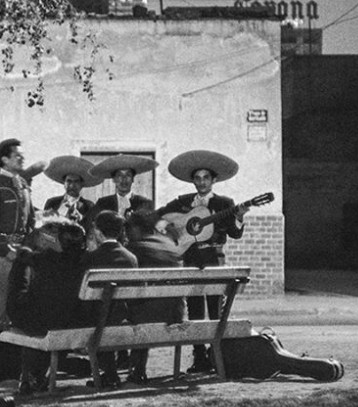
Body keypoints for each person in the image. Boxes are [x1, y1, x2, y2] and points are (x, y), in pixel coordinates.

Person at [157, 149, 248, 374]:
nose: (201, 182)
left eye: (206, 178)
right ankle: (199, 358)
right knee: (195, 310)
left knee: (215, 310)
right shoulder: (182, 202)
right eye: (197, 179)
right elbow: (160, 216)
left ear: (214, 180)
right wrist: (164, 225)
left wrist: (238, 216)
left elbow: (235, 234)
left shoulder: (224, 203)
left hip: (214, 260)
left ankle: (217, 356)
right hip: (191, 259)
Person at [85, 154, 158, 371]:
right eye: (119, 176)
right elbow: (94, 231)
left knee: (131, 307)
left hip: (134, 262)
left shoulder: (144, 203)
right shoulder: (103, 203)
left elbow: (149, 234)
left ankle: (125, 353)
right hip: (111, 261)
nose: (124, 180)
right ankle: (119, 353)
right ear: (113, 180)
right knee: (112, 307)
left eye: (128, 176)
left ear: (133, 180)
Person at [6, 217, 88, 395]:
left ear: (59, 241)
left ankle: (30, 375)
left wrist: (27, 245)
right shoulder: (87, 260)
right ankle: (36, 375)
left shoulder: (47, 258)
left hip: (41, 320)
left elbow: (23, 257)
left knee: (23, 290)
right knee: (49, 308)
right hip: (73, 321)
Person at [0, 138, 36, 329]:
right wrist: (5, 250)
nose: (22, 158)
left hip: (22, 252)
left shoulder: (24, 186)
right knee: (1, 305)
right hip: (1, 253)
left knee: (20, 302)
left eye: (22, 155)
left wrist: (28, 248)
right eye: (17, 155)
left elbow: (31, 221)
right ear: (4, 159)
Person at [124, 208, 186, 384]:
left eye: (129, 228)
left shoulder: (135, 248)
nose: (127, 233)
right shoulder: (170, 246)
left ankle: (133, 368)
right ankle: (135, 367)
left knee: (124, 306)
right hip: (175, 315)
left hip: (146, 318)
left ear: (136, 228)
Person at [81, 210, 138, 389]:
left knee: (98, 314)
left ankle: (110, 374)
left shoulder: (91, 258)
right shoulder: (131, 258)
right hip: (125, 315)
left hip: (99, 319)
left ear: (98, 232)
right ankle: (111, 374)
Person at [42, 155, 100, 227]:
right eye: (69, 181)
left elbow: (92, 228)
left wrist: (81, 218)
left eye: (76, 182)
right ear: (64, 183)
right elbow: (44, 224)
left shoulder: (88, 206)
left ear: (82, 184)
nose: (72, 186)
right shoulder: (52, 202)